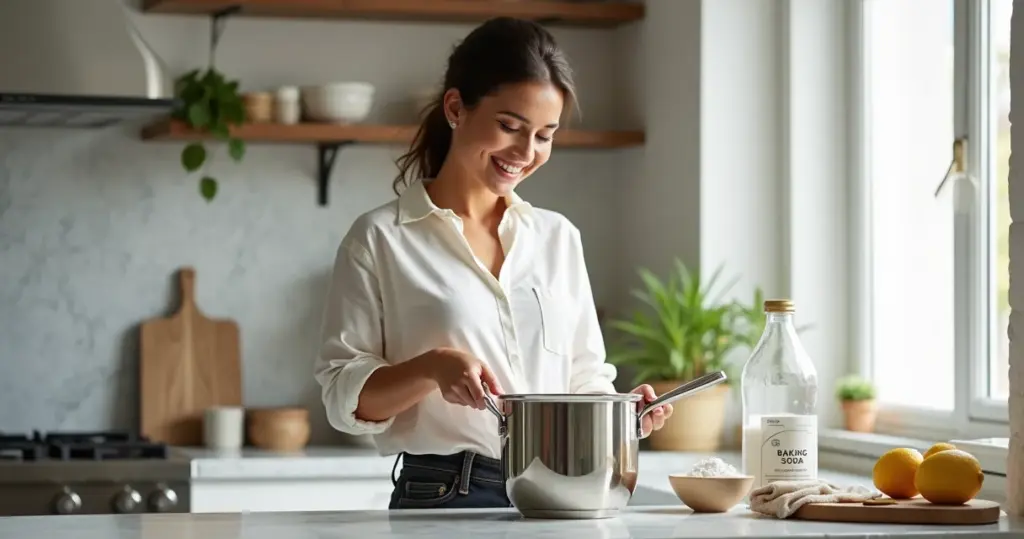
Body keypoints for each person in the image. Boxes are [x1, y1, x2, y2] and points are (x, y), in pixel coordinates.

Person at [313, 16, 673, 510]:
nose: (526, 153)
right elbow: (342, 397)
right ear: (456, 107)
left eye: (545, 135)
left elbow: (585, 379)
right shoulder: (379, 239)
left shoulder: (557, 238)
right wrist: (432, 368)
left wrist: (623, 411)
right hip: (444, 494)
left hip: (564, 489)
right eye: (510, 126)